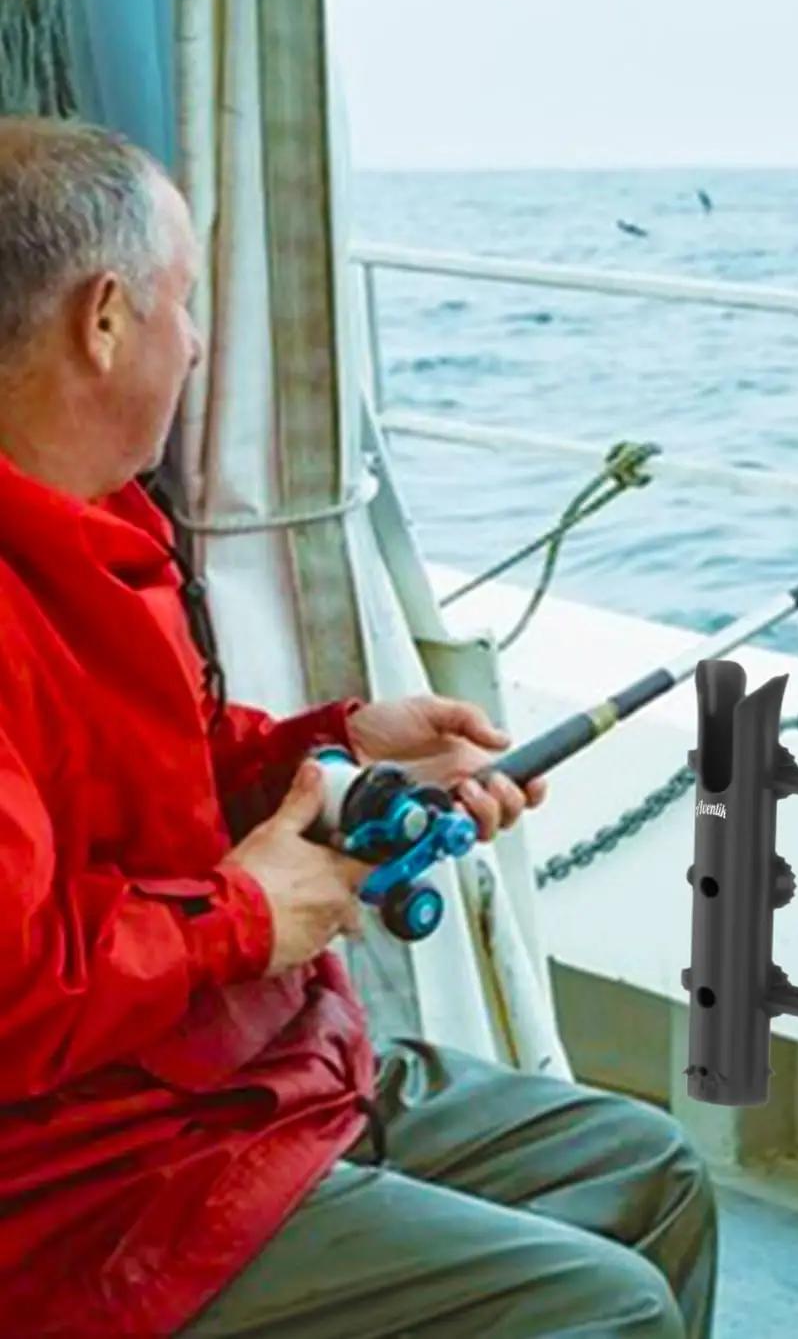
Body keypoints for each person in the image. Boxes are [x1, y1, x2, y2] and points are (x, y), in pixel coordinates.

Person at [0, 118, 716, 1338]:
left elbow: (145, 787)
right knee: (605, 1308)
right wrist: (239, 919)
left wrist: (334, 753)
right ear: (105, 318)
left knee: (651, 1172)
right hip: (86, 1187)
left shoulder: (99, 523)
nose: (198, 341)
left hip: (229, 1076)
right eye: (183, 302)